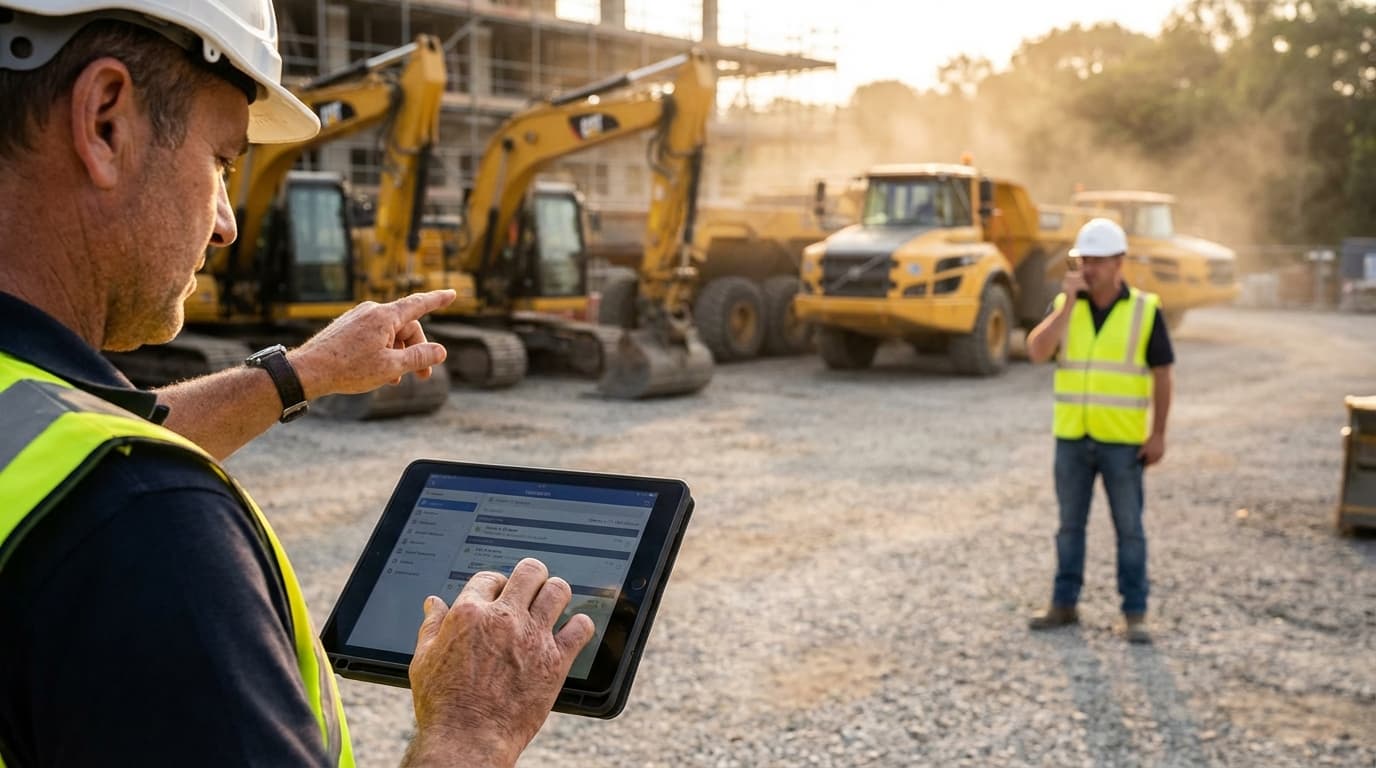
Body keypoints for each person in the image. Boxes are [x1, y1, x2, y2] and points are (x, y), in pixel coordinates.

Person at [0, 2, 593, 766]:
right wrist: (470, 729)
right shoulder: (141, 529)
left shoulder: (57, 456)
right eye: (220, 159)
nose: (226, 223)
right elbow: (95, 484)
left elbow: (51, 447)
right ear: (106, 121)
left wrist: (301, 372)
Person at [1024, 217, 1174, 644]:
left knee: (1129, 529)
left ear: (1119, 262)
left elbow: (1163, 374)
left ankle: (1135, 612)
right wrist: (1068, 306)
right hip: (1072, 438)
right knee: (1069, 527)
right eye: (1083, 259)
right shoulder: (1066, 307)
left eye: (1097, 261)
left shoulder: (1145, 310)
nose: (1088, 268)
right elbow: (1036, 352)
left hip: (1122, 443)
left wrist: (1158, 433)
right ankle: (1064, 604)